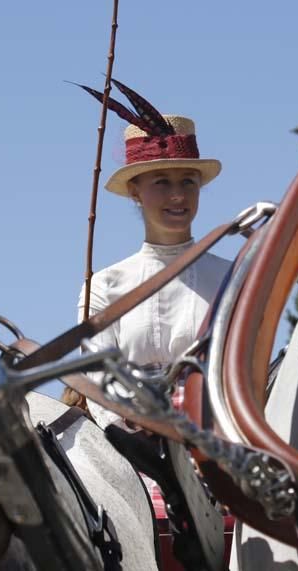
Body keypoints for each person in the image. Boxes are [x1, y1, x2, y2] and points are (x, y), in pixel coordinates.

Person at [75, 81, 231, 430]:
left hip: (219, 449)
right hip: (132, 458)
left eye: (187, 182)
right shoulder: (103, 287)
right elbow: (100, 385)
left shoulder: (233, 280)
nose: (178, 195)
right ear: (135, 191)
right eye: (161, 182)